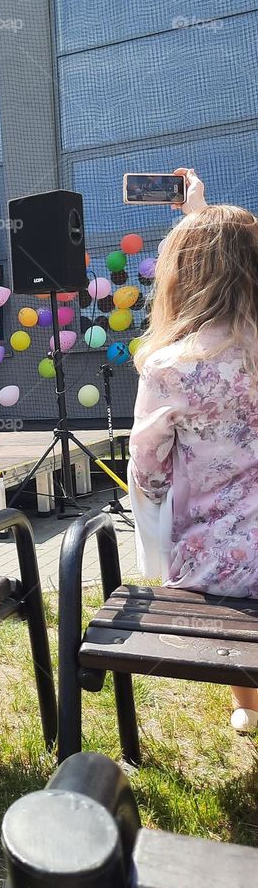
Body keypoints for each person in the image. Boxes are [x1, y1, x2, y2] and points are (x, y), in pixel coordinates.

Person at [129, 167, 258, 735]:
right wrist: (204, 215)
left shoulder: (172, 366)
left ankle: (248, 703)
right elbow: (235, 249)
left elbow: (148, 473)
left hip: (220, 565)